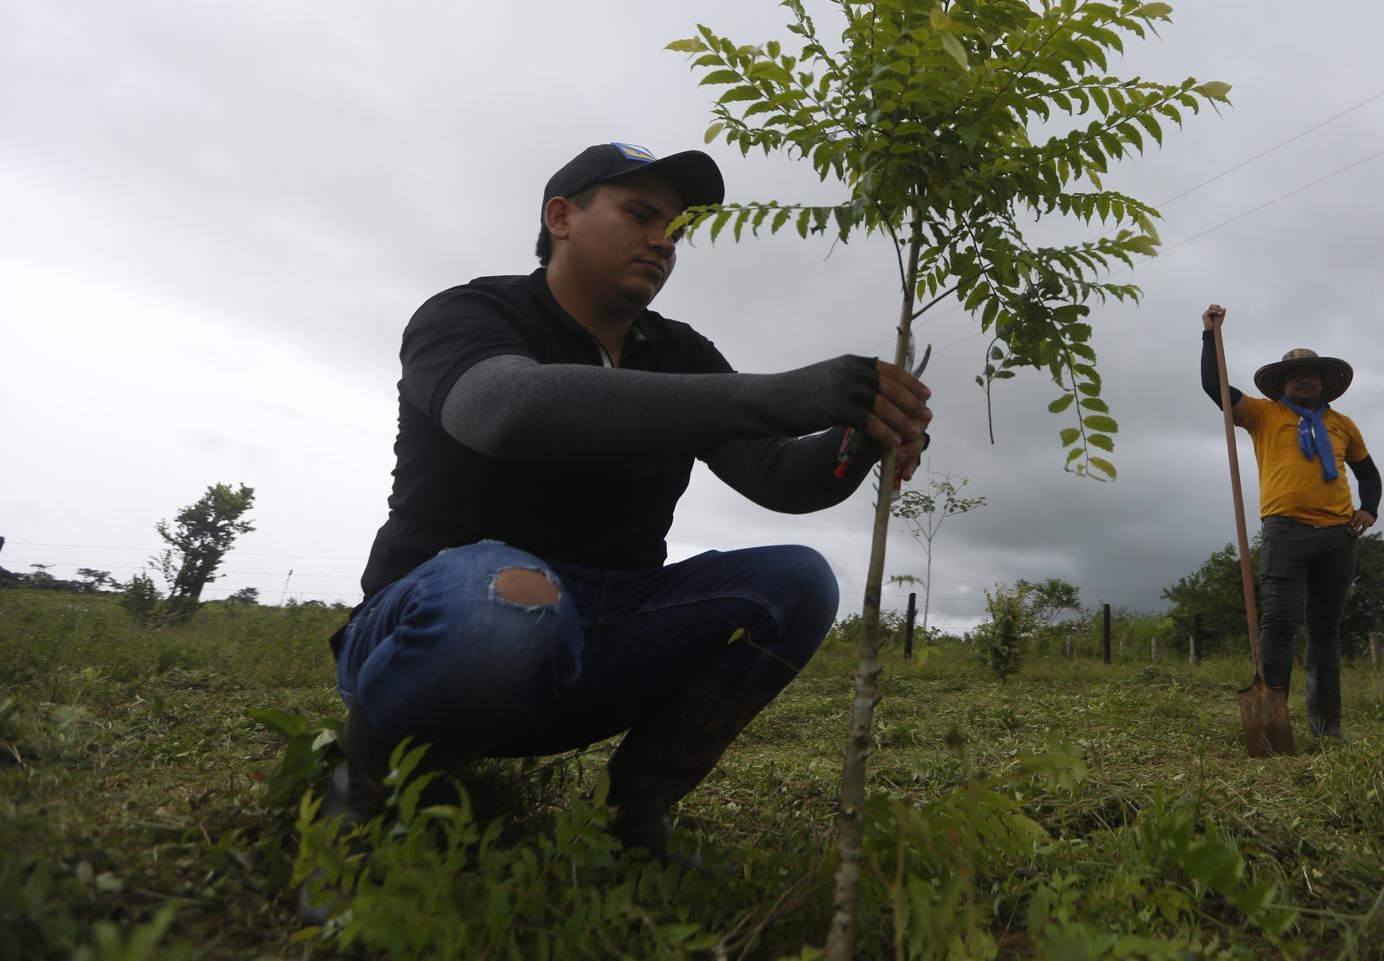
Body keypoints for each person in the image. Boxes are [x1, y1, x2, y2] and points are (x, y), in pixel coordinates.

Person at [306, 142, 931, 918]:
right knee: (508, 596)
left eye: (675, 227)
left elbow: (779, 478)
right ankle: (359, 804)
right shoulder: (470, 316)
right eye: (640, 214)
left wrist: (860, 432)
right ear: (559, 218)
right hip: (442, 626)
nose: (665, 240)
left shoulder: (680, 352)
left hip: (606, 633)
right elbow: (508, 411)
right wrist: (783, 394)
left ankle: (630, 818)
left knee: (797, 581)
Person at [1199, 304, 1380, 742]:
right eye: (1295, 376)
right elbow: (1214, 385)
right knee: (1278, 624)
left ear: (1323, 384)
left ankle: (1326, 727)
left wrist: (1369, 508)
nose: (1304, 380)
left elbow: (1368, 473)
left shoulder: (1343, 425)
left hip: (1339, 536)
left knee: (1325, 628)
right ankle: (1272, 725)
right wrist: (1210, 335)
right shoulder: (1263, 414)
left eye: (1312, 375)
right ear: (1282, 384)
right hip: (1285, 532)